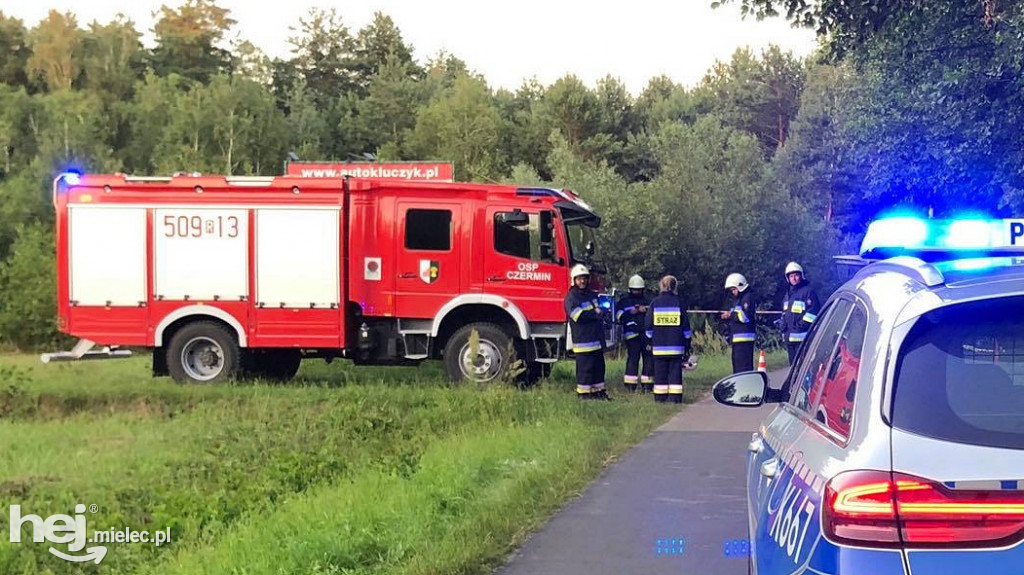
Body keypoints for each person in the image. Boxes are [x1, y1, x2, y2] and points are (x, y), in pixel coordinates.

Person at [565, 263, 610, 400]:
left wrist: (600, 312)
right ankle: (584, 395)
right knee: (585, 370)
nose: (582, 281)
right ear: (574, 280)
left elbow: (600, 311)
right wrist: (595, 313)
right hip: (583, 341)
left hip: (596, 340)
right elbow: (578, 316)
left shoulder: (591, 295)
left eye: (584, 278)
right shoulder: (571, 298)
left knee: (598, 369)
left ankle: (599, 393)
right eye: (579, 279)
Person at [645, 275, 692, 403]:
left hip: (659, 348)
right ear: (675, 287)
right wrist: (687, 342)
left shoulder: (655, 303)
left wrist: (651, 340)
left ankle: (660, 398)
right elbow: (686, 326)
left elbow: (648, 326)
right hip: (676, 348)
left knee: (660, 374)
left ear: (661, 286)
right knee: (675, 374)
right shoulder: (679, 303)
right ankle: (675, 398)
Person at [616, 274, 653, 392]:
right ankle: (630, 386)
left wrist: (646, 310)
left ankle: (647, 386)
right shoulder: (624, 301)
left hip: (647, 334)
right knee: (633, 359)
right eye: (634, 290)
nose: (636, 292)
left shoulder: (649, 300)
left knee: (648, 359)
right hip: (632, 335)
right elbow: (618, 316)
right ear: (630, 289)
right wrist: (633, 312)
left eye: (639, 290)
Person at [780, 261, 819, 365]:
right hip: (789, 339)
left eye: (796, 275)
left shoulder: (808, 292)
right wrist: (782, 325)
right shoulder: (788, 294)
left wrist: (800, 326)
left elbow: (812, 313)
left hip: (802, 339)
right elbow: (785, 312)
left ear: (801, 276)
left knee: (803, 367)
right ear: (788, 278)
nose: (794, 278)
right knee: (793, 368)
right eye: (791, 276)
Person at [722, 272, 757, 374]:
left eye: (734, 289)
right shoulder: (737, 300)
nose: (733, 292)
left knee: (744, 370)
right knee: (737, 370)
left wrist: (730, 315)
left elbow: (745, 317)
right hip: (737, 340)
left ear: (740, 286)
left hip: (745, 340)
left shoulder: (748, 298)